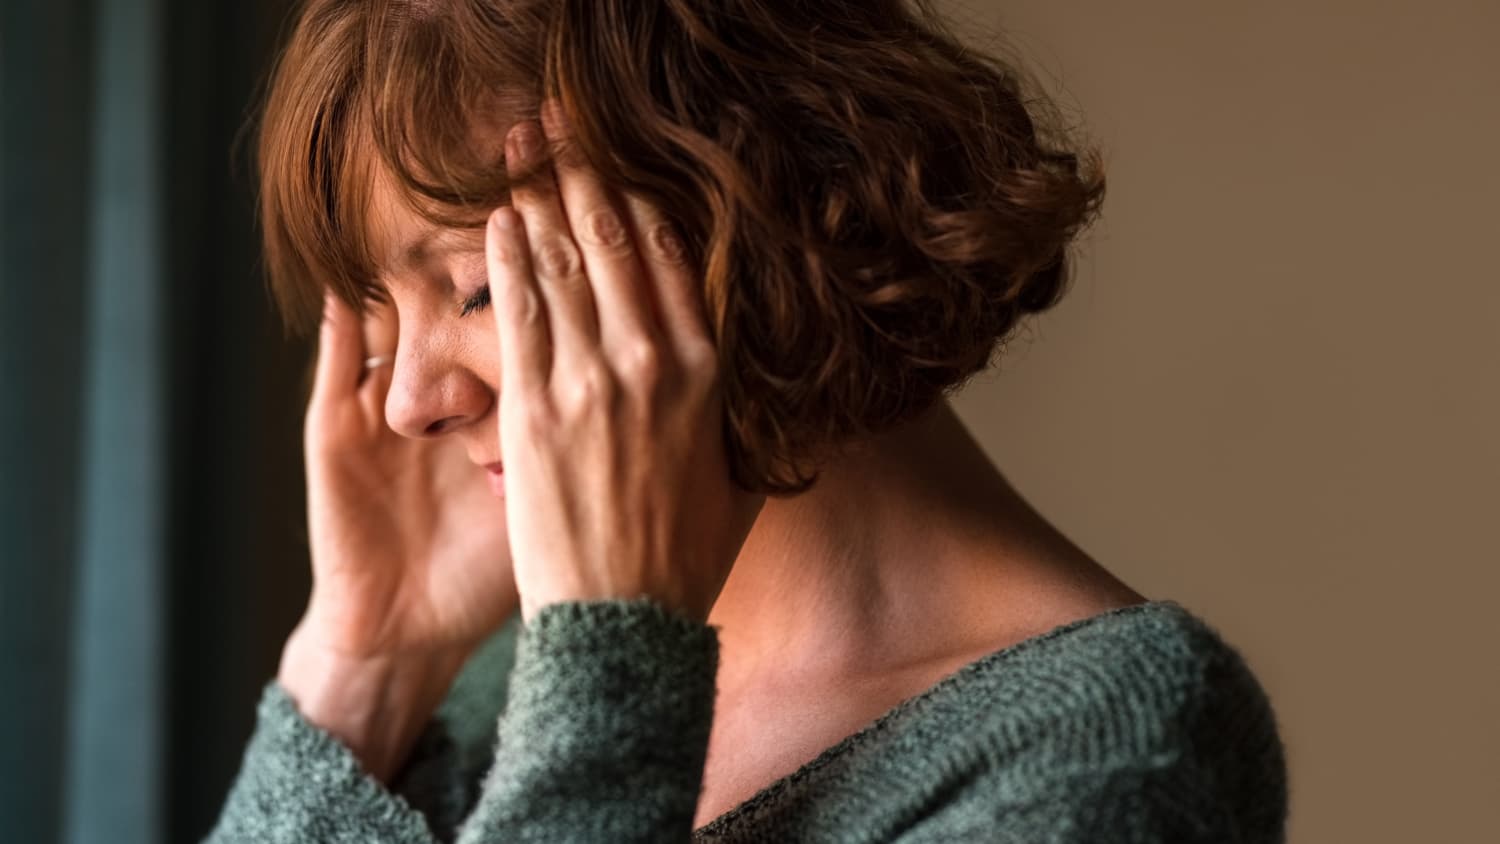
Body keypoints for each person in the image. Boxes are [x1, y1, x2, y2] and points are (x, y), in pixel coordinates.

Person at [206, 0, 1288, 841]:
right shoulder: (499, 700)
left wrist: (608, 680)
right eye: (384, 324)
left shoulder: (1108, 746)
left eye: (476, 288)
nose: (406, 403)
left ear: (747, 208)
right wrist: (362, 669)